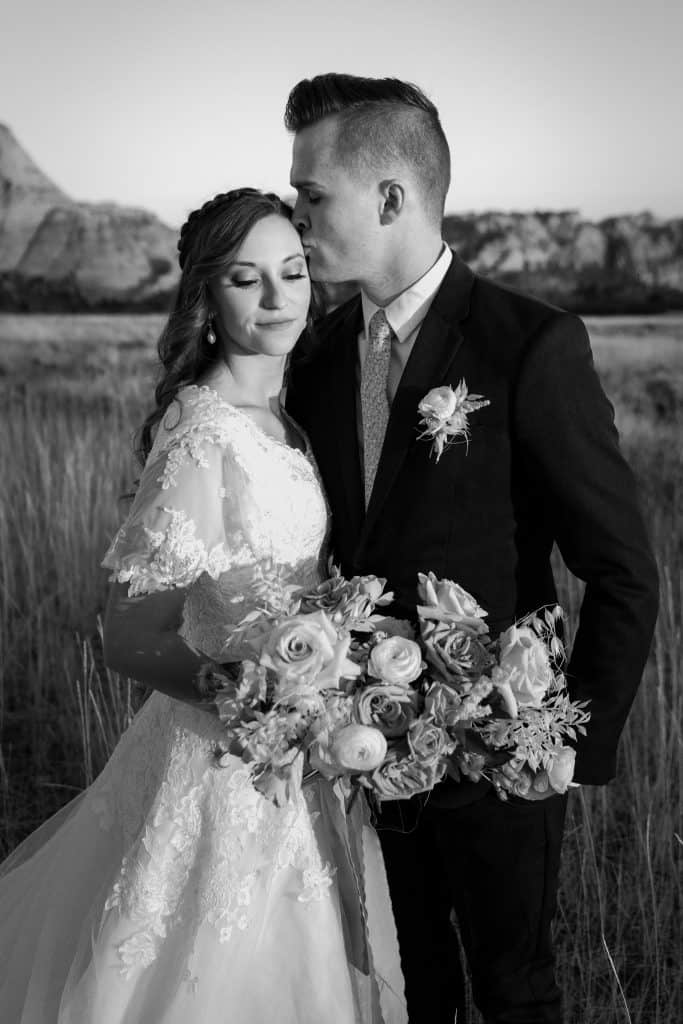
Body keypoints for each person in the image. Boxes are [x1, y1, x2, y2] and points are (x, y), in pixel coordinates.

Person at [284, 74, 660, 1024]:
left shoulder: (529, 345)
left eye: (310, 193)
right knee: (407, 988)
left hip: (501, 746)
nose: (297, 217)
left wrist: (566, 741)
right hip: (361, 741)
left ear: (390, 198)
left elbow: (621, 569)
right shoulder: (320, 355)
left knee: (514, 989)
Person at [0, 188, 407, 1024]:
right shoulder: (204, 433)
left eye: (291, 272)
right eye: (244, 278)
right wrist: (274, 706)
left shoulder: (284, 423)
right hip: (225, 760)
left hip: (302, 759)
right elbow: (127, 634)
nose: (277, 298)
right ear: (205, 299)